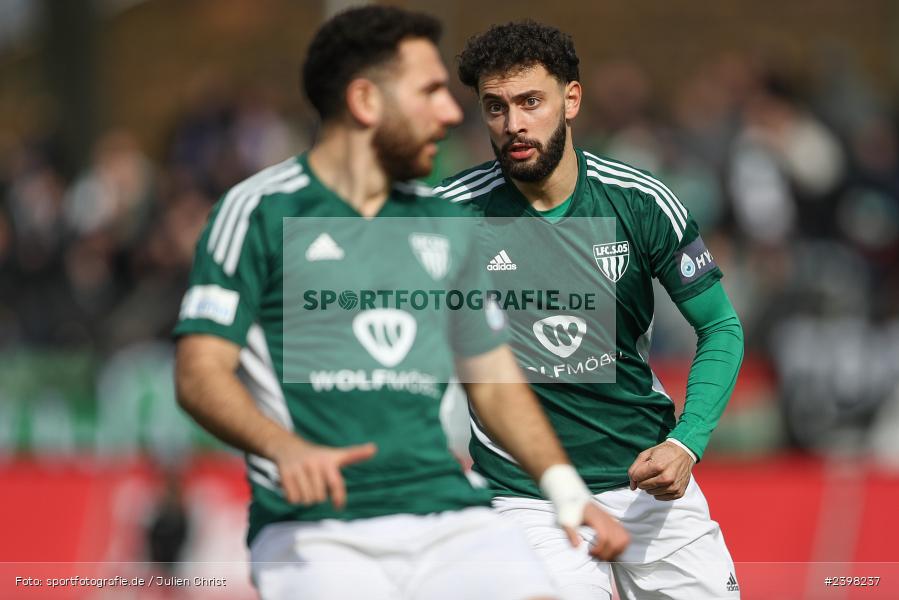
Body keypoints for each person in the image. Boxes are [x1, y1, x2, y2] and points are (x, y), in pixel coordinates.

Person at [173, 7, 628, 600]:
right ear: (366, 102)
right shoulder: (261, 211)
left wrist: (567, 492)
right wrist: (281, 446)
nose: (450, 110)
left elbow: (490, 378)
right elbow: (198, 372)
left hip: (448, 513)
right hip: (319, 526)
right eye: (431, 91)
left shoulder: (442, 221)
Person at [438, 20, 744, 600]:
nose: (514, 124)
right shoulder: (447, 216)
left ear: (571, 99)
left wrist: (687, 442)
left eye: (531, 101)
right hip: (524, 496)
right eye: (495, 107)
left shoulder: (640, 202)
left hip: (648, 489)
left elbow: (721, 327)